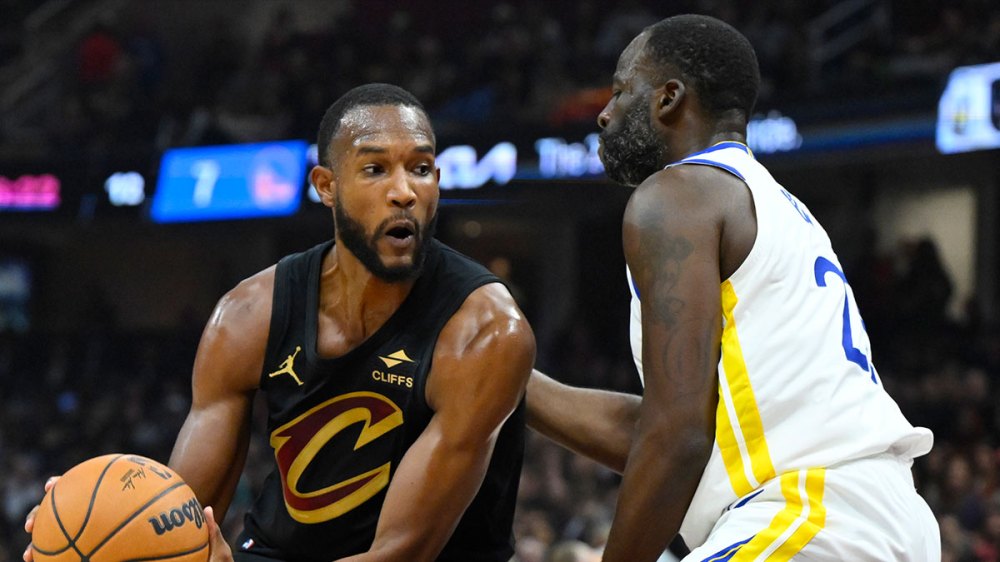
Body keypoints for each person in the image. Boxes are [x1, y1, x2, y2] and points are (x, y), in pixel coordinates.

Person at [25, 83, 535, 562]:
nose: (404, 191)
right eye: (375, 169)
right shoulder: (249, 314)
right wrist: (88, 525)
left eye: (420, 169)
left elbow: (400, 553)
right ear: (326, 186)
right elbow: (182, 515)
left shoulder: (485, 331)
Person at [525, 14, 940, 561]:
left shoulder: (678, 196)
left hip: (810, 514)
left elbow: (677, 437)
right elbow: (667, 430)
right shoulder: (775, 205)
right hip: (880, 518)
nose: (604, 113)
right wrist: (512, 381)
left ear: (668, 98)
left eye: (621, 91)